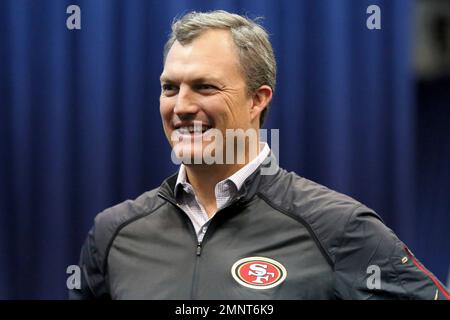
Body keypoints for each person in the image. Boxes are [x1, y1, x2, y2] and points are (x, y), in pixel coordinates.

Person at [70, 10, 450, 300]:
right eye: (170, 88)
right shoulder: (113, 234)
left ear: (257, 99)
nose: (181, 106)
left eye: (204, 87)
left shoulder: (339, 228)